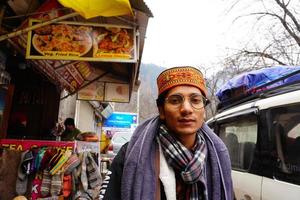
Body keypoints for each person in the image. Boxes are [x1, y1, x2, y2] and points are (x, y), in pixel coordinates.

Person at [100, 66, 234, 200]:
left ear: (203, 110)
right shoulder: (131, 154)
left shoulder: (217, 156)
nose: (186, 109)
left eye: (195, 100)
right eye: (175, 100)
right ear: (162, 111)